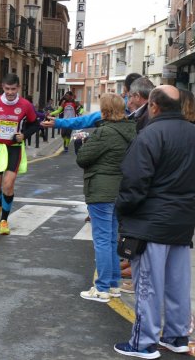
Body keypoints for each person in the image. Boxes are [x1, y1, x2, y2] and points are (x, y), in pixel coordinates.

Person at [113, 85, 195, 359]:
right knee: (177, 283)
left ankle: (143, 342)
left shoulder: (150, 134)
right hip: (182, 222)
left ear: (153, 106)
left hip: (151, 223)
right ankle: (177, 336)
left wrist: (122, 213)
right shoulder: (194, 134)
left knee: (147, 285)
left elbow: (134, 183)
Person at [75, 93, 136, 303]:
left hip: (101, 191)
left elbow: (83, 159)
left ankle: (101, 288)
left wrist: (81, 143)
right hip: (120, 190)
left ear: (105, 110)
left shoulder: (104, 132)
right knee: (111, 239)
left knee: (102, 240)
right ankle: (113, 285)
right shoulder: (131, 130)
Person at [0, 73, 40, 234]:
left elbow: (35, 124)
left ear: (18, 88)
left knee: (8, 185)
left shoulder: (25, 105)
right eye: (7, 89)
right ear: (2, 87)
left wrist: (24, 135)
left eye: (13, 89)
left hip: (14, 148)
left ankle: (4, 220)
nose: (10, 92)